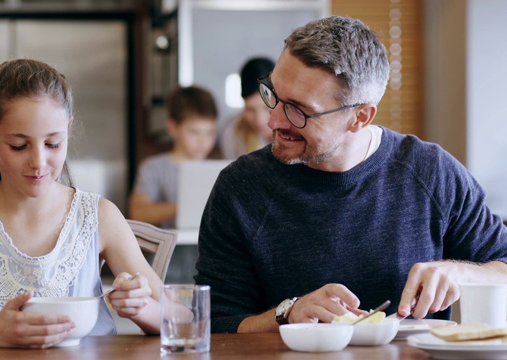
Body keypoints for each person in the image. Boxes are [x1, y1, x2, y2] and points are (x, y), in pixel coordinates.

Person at [194, 16, 507, 334]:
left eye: (298, 110)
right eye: (273, 94)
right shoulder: (240, 187)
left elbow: (502, 264)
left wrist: (459, 274)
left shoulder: (431, 172)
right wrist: (287, 313)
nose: (273, 121)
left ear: (360, 117)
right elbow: (216, 324)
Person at [0, 59, 163, 348]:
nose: (38, 162)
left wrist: (142, 307)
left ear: (68, 131)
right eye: (19, 146)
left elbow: (184, 317)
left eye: (53, 144)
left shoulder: (100, 215)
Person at [128, 85, 218, 229]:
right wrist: (188, 207)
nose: (203, 141)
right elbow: (138, 212)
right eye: (194, 132)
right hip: (172, 251)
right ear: (172, 128)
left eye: (210, 133)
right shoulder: (153, 167)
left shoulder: (220, 170)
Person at [219, 57, 274, 159]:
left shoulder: (298, 130)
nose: (259, 120)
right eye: (250, 109)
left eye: (266, 108)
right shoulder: (233, 131)